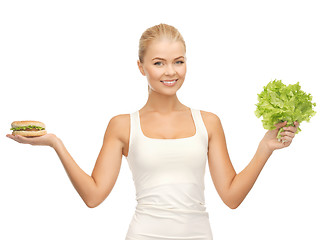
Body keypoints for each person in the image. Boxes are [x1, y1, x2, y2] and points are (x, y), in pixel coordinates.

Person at [6, 23, 299, 240]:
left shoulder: (209, 122)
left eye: (178, 61)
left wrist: (264, 149)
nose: (170, 72)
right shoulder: (122, 125)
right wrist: (55, 143)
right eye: (158, 62)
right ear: (141, 66)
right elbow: (93, 196)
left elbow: (231, 197)